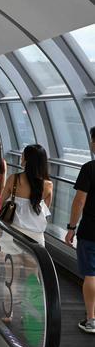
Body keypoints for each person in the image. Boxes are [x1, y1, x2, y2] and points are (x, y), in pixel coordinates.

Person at [65, 127, 95, 333]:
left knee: (91, 275)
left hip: (91, 230)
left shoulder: (89, 168)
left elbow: (79, 201)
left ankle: (91, 319)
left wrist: (71, 228)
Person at [0, 144, 53, 245]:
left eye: (23, 155)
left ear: (28, 160)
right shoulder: (48, 185)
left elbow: (1, 202)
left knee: (10, 260)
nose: (21, 157)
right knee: (33, 261)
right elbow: (45, 211)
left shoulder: (14, 179)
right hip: (36, 236)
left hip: (13, 232)